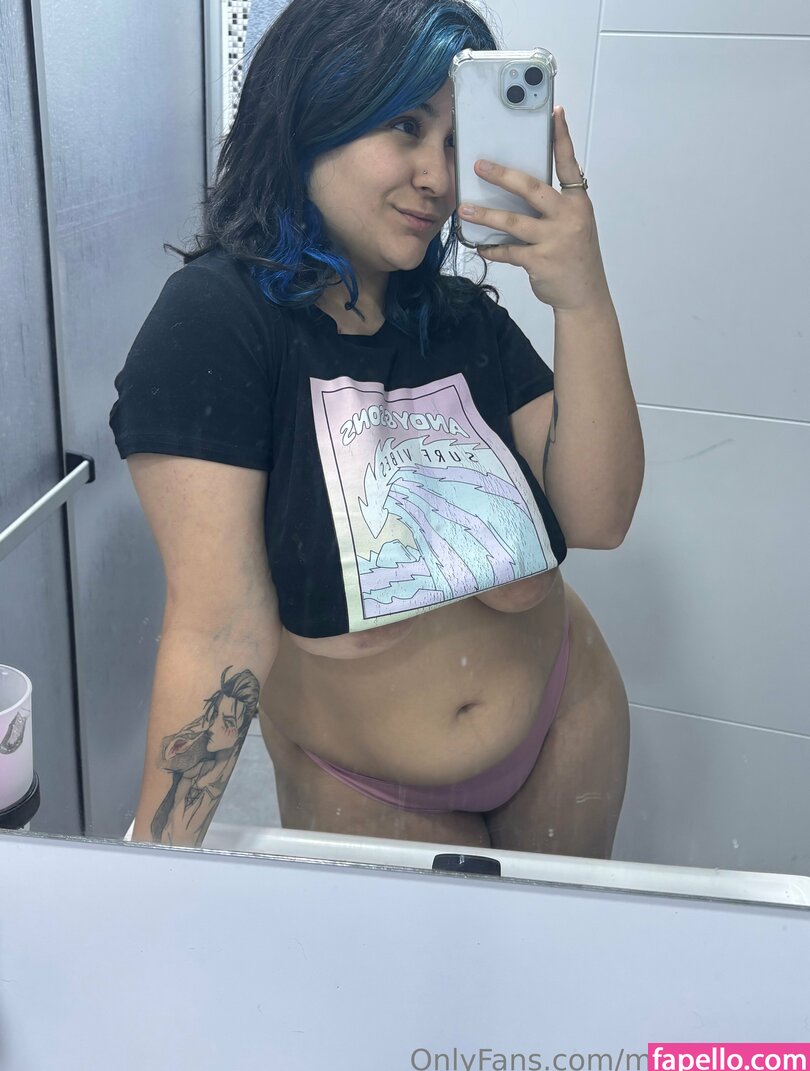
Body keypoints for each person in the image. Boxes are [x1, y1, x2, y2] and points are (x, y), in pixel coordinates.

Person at [110, 0, 644, 855]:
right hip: (361, 779)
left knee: (562, 943)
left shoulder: (462, 316)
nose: (438, 176)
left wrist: (583, 298)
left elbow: (600, 517)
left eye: (454, 140)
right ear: (312, 112)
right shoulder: (218, 323)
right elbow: (219, 630)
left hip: (565, 712)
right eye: (406, 126)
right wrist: (155, 869)